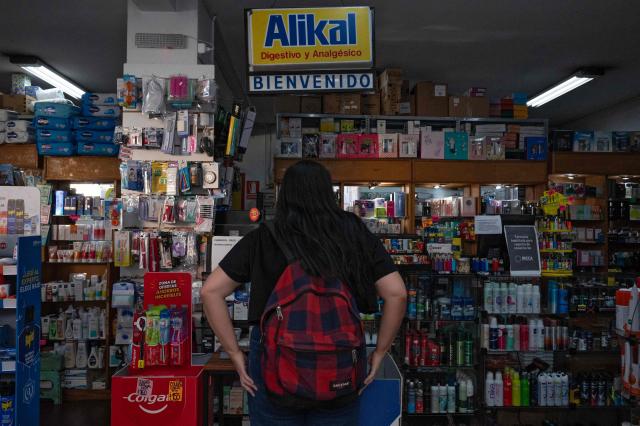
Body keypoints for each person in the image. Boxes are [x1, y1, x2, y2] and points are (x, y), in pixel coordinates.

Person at [201, 160, 407, 425]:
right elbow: (397, 293)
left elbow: (210, 291)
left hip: (274, 364)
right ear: (327, 193)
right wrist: (379, 351)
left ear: (284, 195)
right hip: (339, 364)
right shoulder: (354, 232)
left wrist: (235, 353)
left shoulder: (265, 236)